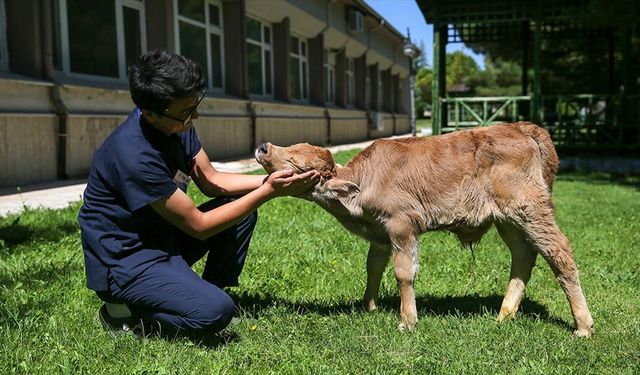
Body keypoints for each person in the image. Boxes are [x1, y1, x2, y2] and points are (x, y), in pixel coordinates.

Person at [78, 49, 319, 337]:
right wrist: (269, 191)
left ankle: (208, 290)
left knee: (240, 212)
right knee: (216, 313)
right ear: (150, 113)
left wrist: (276, 179)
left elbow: (212, 181)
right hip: (126, 259)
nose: (195, 116)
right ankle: (122, 312)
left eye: (195, 106)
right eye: (186, 113)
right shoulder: (134, 154)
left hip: (160, 236)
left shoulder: (175, 123)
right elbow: (199, 226)